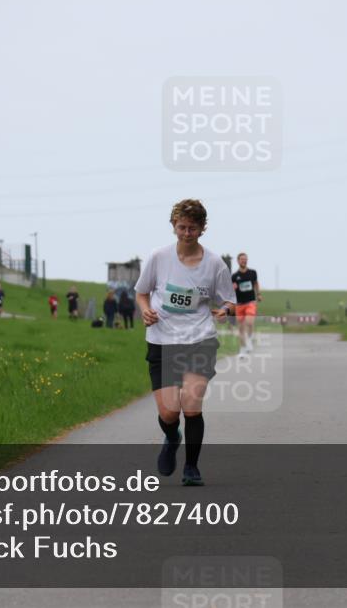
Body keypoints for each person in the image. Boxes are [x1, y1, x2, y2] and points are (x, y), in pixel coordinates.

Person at [134, 199, 235, 487]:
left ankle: (191, 467)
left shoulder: (215, 264)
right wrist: (146, 311)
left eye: (192, 228)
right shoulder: (158, 257)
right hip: (163, 340)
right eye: (181, 227)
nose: (186, 233)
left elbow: (228, 299)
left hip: (199, 339)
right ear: (173, 226)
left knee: (191, 406)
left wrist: (224, 310)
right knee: (169, 411)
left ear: (203, 229)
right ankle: (171, 436)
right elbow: (142, 293)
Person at [231, 252, 262, 357]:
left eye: (245, 259)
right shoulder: (234, 276)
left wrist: (259, 294)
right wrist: (233, 288)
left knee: (249, 323)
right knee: (240, 329)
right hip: (239, 304)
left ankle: (250, 339)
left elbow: (256, 284)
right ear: (238, 261)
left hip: (250, 302)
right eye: (242, 259)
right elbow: (231, 290)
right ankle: (242, 350)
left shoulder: (252, 273)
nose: (244, 261)